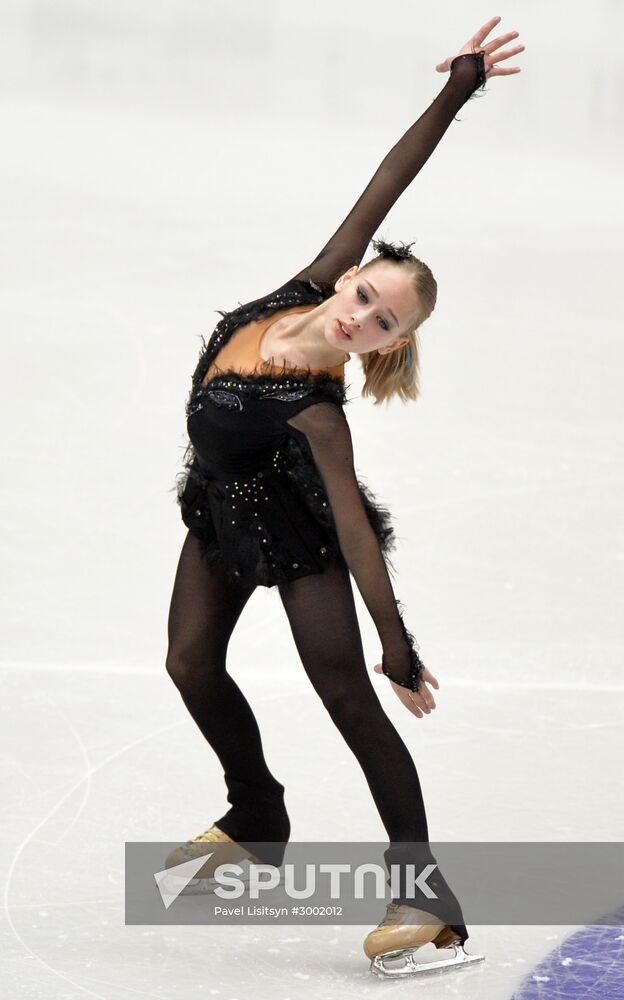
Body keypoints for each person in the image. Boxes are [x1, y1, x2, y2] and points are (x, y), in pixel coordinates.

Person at [165, 15, 524, 979]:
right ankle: (257, 813)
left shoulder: (320, 414)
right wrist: (456, 90)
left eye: (381, 320)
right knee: (190, 663)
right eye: (367, 292)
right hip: (219, 502)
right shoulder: (306, 287)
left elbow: (357, 532)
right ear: (355, 273)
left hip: (296, 525)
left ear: (389, 343)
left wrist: (397, 644)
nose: (359, 312)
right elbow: (386, 182)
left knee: (344, 693)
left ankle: (429, 901)